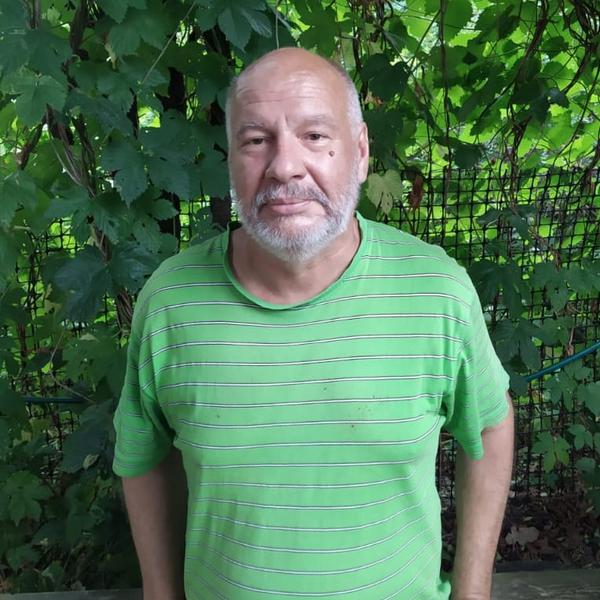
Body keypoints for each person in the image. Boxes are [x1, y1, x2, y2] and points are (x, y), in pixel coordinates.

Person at [113, 47, 514, 600]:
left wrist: (473, 593)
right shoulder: (170, 302)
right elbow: (143, 457)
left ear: (361, 152)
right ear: (231, 160)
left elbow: (490, 426)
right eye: (257, 140)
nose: (285, 166)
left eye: (315, 135)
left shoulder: (436, 291)